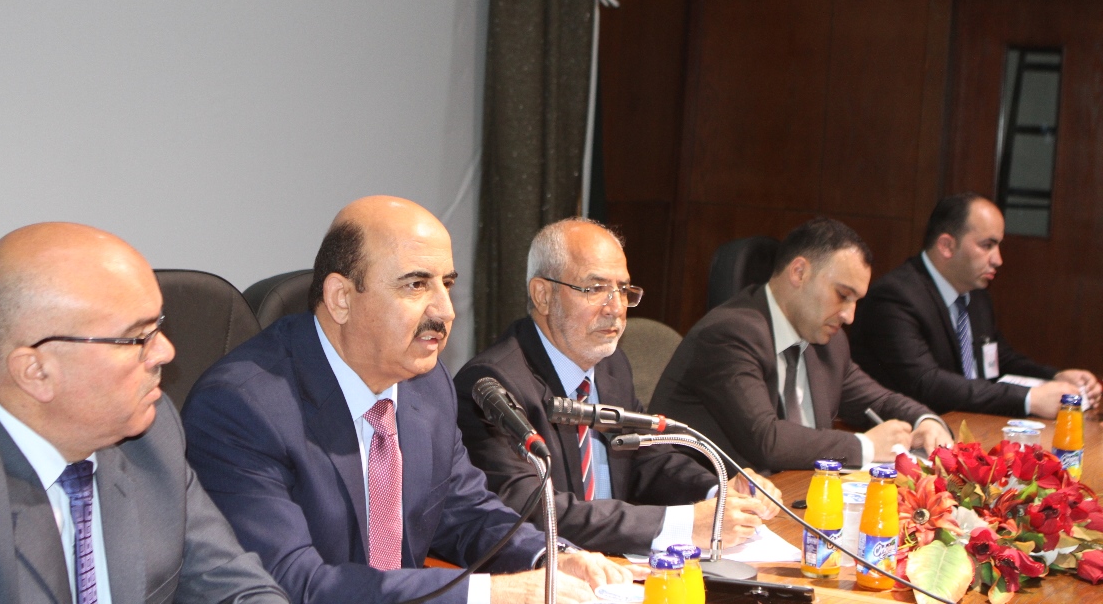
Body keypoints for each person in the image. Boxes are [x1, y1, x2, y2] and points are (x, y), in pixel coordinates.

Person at [183, 197, 630, 604]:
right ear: (341, 298)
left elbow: (466, 511)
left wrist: (550, 557)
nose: (445, 310)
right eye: (416, 285)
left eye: (447, 284)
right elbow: (292, 582)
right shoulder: (241, 407)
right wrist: (488, 595)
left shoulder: (426, 384)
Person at [0, 222, 287, 603]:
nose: (166, 352)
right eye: (136, 337)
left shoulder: (149, 431)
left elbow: (236, 586)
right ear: (36, 371)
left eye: (158, 326)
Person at [455, 218, 781, 556]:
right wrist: (681, 526)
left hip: (623, 562)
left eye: (623, 290)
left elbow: (647, 459)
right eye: (595, 289)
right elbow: (533, 510)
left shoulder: (611, 366)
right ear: (543, 295)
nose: (616, 309)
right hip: (554, 570)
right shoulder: (490, 386)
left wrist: (719, 492)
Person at [648, 218, 953, 473]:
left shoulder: (828, 342)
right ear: (799, 273)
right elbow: (766, 441)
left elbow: (879, 401)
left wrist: (925, 421)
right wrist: (867, 446)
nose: (849, 316)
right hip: (709, 505)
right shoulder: (729, 334)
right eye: (842, 295)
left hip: (795, 497)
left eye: (856, 301)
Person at [851, 192, 1102, 417]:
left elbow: (998, 359)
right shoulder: (895, 297)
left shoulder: (975, 294)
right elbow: (926, 382)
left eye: (998, 245)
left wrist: (1054, 377)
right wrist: (1028, 399)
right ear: (947, 246)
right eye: (987, 245)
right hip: (907, 434)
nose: (998, 260)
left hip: (971, 424)